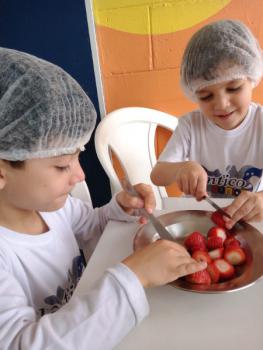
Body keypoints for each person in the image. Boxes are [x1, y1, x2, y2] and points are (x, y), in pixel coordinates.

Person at [0, 47, 206, 350]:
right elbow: (23, 344)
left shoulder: (52, 207)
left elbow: (91, 224)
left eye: (77, 159)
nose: (80, 176)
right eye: (61, 166)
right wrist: (133, 278)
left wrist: (119, 207)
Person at [151, 19, 263, 229]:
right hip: (199, 222)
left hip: (248, 221)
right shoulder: (190, 125)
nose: (221, 104)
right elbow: (157, 175)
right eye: (205, 96)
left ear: (252, 78)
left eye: (234, 88)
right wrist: (182, 168)